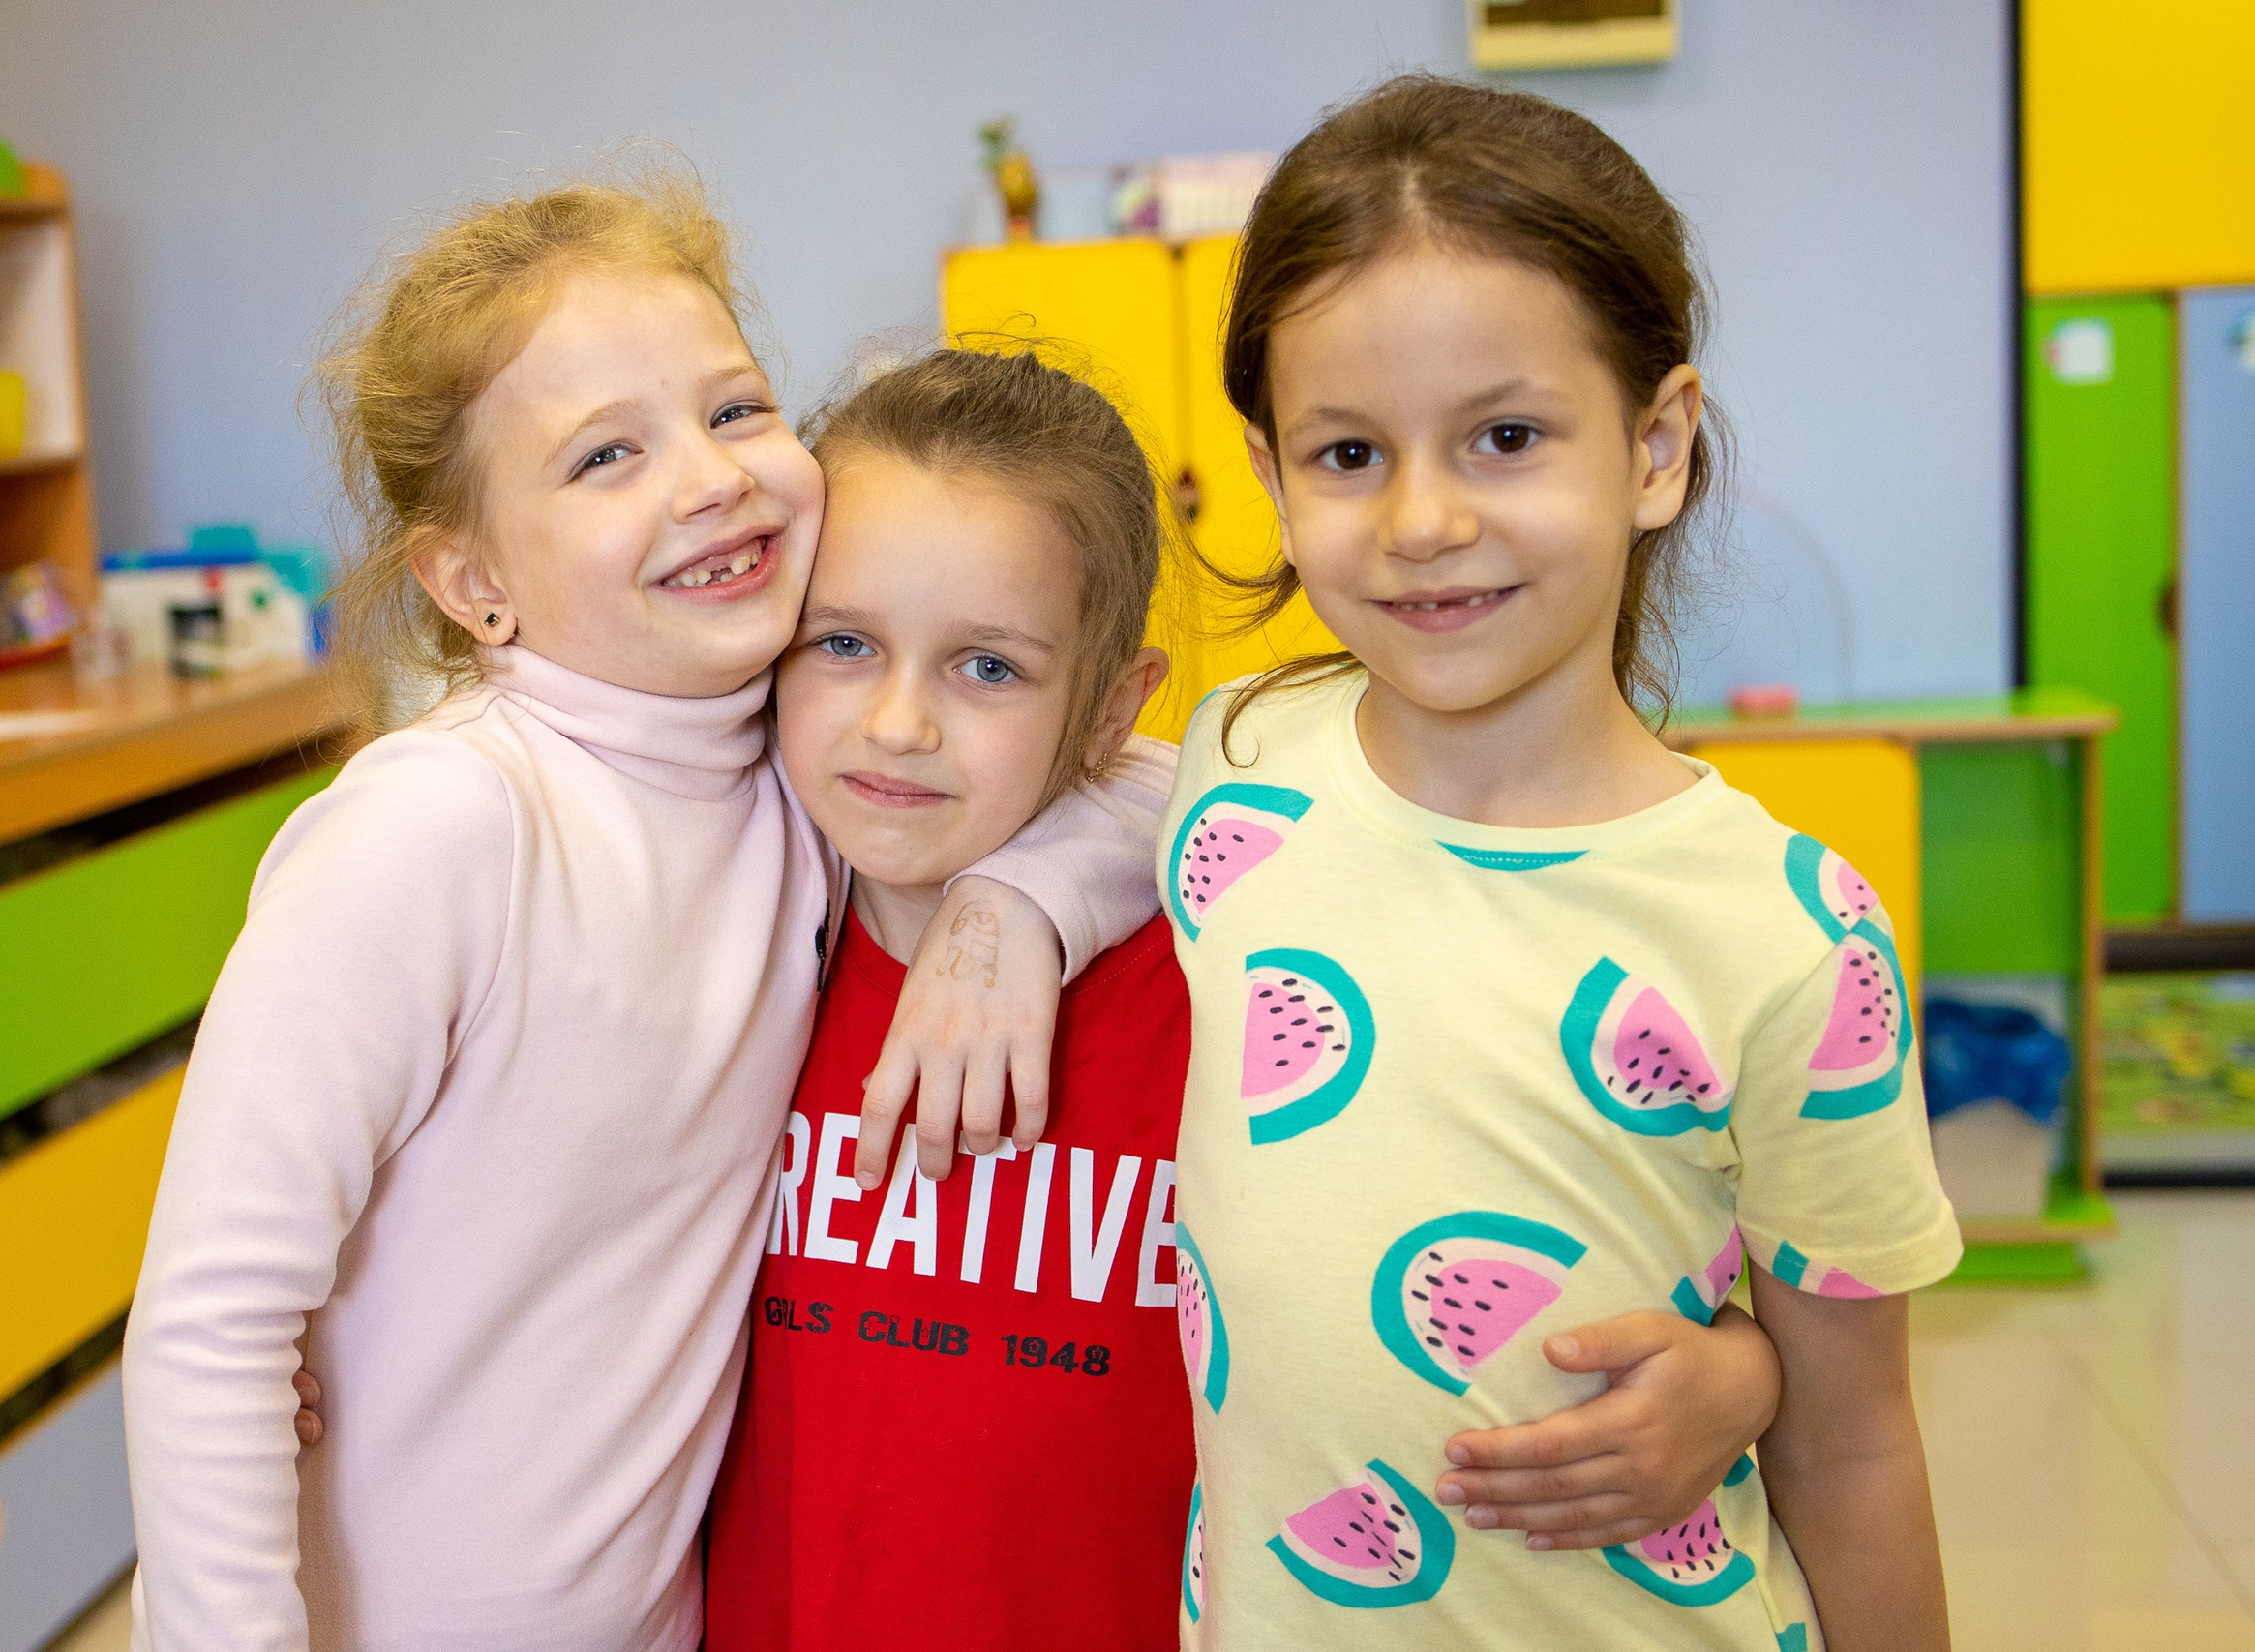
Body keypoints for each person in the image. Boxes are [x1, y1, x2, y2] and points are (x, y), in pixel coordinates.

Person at [120, 174, 1166, 1652]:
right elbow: (210, 1327)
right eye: (607, 454)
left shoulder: (793, 786)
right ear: (473, 580)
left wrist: (1016, 904)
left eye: (735, 411)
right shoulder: (434, 828)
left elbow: (1170, 781)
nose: (710, 477)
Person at [707, 346, 1785, 1651]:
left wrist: (1747, 1369)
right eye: (843, 643)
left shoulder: (1232, 982)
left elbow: (1443, 1269)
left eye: (987, 666)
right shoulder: (728, 951)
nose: (895, 723)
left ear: (1112, 712)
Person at [1157, 75, 1959, 1649]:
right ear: (1268, 474)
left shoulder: (1799, 939)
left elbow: (1859, 1447)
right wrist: (991, 916)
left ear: (1655, 446)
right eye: (1346, 454)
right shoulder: (1234, 766)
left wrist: (1763, 1372)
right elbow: (1014, 833)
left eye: (1506, 436)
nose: (1425, 519)